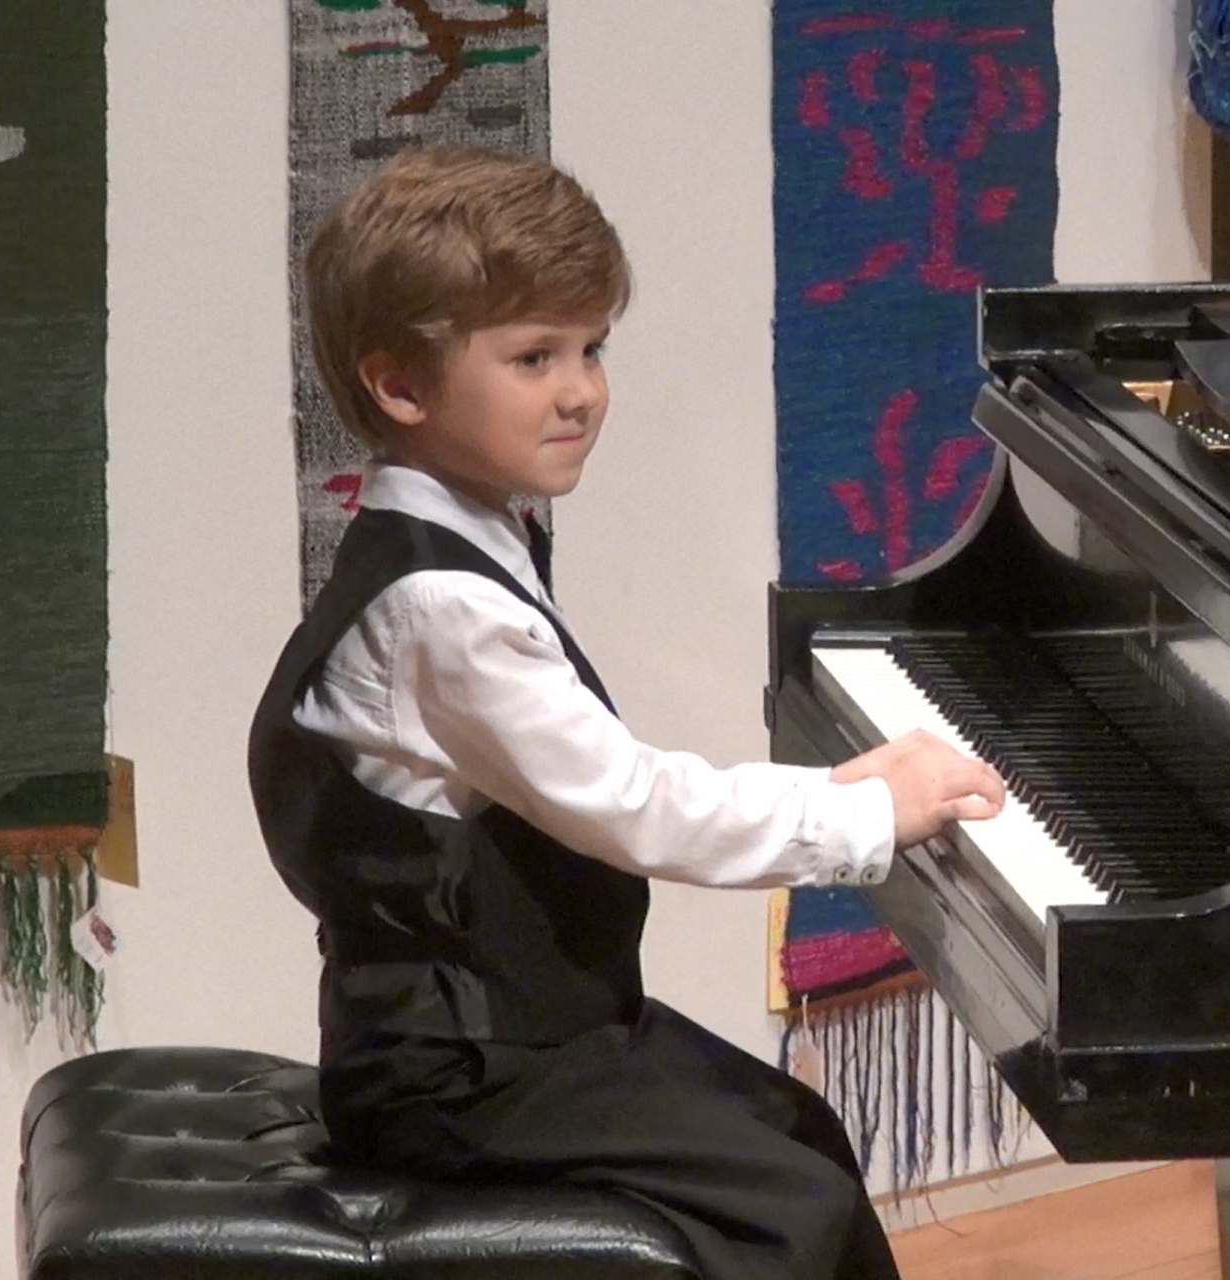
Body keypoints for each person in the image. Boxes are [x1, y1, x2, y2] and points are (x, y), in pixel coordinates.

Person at [248, 142, 1006, 1280]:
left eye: (591, 346)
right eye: (533, 355)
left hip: (517, 1036)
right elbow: (632, 805)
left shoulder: (465, 538)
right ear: (399, 385)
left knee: (799, 1132)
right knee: (790, 1204)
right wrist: (860, 819)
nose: (581, 389)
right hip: (458, 1071)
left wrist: (843, 786)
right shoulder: (443, 604)